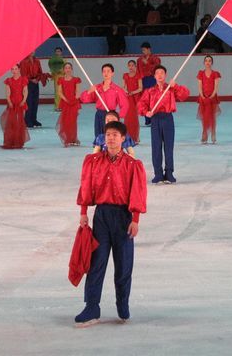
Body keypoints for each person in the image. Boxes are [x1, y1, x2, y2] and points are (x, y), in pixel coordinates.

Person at [75, 120, 147, 326]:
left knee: (123, 265)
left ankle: (122, 304)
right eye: (108, 135)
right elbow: (86, 186)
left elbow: (138, 192)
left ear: (123, 139)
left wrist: (135, 219)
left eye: (115, 135)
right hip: (101, 216)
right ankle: (91, 307)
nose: (111, 138)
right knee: (96, 263)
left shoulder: (133, 165)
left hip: (123, 217)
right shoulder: (94, 161)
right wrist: (83, 212)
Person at [137, 65, 189, 184]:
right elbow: (141, 104)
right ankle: (158, 174)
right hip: (155, 119)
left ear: (165, 75)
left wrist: (175, 86)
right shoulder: (149, 91)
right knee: (156, 147)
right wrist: (146, 112)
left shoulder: (171, 89)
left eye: (162, 73)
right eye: (157, 73)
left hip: (167, 118)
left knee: (168, 147)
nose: (160, 75)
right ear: (154, 76)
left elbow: (184, 95)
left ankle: (169, 172)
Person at [80, 63, 129, 138]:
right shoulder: (97, 88)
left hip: (111, 115)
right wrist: (89, 91)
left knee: (110, 137)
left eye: (108, 71)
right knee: (99, 136)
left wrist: (118, 116)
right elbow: (84, 99)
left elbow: (125, 104)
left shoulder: (117, 89)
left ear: (112, 73)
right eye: (104, 71)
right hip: (99, 115)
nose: (106, 73)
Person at [1, 64, 29, 149]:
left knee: (20, 122)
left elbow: (25, 91)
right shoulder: (9, 80)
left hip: (21, 103)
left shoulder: (23, 79)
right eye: (12, 69)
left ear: (19, 69)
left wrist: (23, 101)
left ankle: (19, 140)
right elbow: (8, 93)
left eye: (16, 69)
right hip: (12, 103)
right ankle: (11, 140)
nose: (14, 71)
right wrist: (9, 102)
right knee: (11, 122)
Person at [196, 55, 221, 144]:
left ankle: (213, 134)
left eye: (209, 61)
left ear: (212, 62)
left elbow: (216, 86)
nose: (208, 62)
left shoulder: (215, 74)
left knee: (212, 117)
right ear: (204, 62)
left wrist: (212, 95)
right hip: (203, 97)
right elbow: (199, 85)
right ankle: (204, 134)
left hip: (212, 97)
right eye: (206, 60)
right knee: (204, 117)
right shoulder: (201, 73)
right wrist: (202, 95)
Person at [55, 63, 82, 147]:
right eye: (66, 68)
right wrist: (66, 99)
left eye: (69, 68)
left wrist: (74, 100)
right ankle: (67, 138)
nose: (68, 69)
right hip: (65, 103)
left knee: (73, 121)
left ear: (71, 69)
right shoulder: (61, 80)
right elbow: (59, 92)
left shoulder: (76, 79)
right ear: (64, 70)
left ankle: (73, 138)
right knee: (65, 121)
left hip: (74, 103)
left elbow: (78, 92)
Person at [136, 43, 161, 125]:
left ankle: (155, 118)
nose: (143, 52)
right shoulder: (139, 60)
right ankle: (147, 119)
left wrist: (147, 63)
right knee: (144, 100)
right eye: (142, 50)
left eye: (144, 50)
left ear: (149, 49)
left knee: (153, 99)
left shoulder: (156, 58)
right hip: (143, 80)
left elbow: (158, 69)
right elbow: (138, 71)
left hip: (153, 79)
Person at [122, 60, 143, 144]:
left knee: (134, 118)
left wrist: (132, 92)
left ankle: (135, 137)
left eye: (132, 65)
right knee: (127, 118)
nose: (131, 67)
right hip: (127, 98)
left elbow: (140, 88)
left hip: (135, 98)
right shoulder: (125, 75)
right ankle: (126, 136)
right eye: (129, 65)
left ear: (135, 66)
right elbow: (123, 86)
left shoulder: (138, 76)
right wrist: (126, 91)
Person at [20, 53, 44, 128]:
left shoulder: (37, 61)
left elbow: (40, 72)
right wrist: (31, 80)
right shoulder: (23, 62)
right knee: (28, 102)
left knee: (35, 102)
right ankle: (27, 120)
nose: (32, 51)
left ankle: (34, 119)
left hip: (36, 83)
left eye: (33, 50)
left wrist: (37, 79)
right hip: (27, 83)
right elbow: (23, 74)